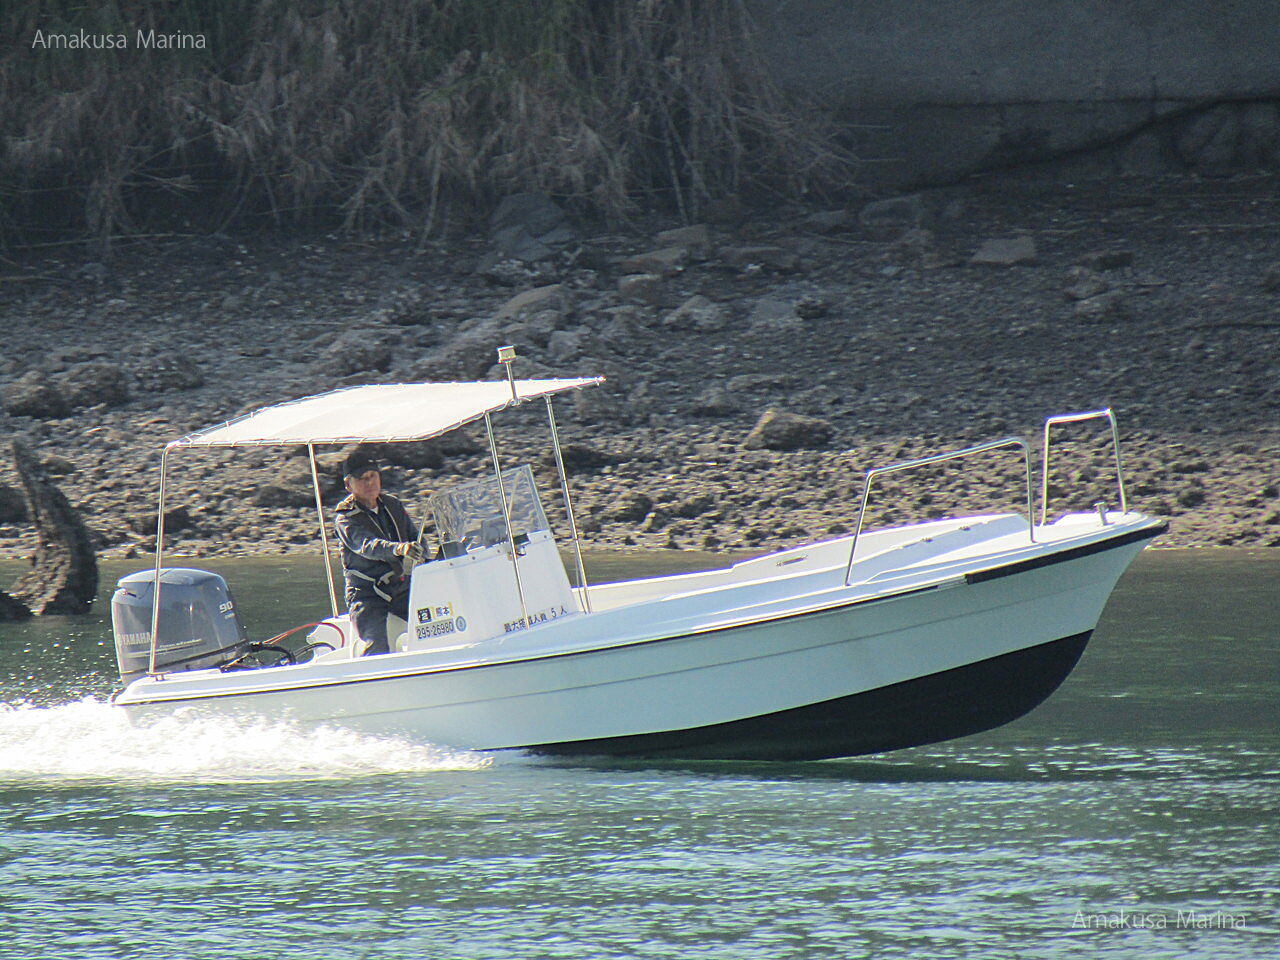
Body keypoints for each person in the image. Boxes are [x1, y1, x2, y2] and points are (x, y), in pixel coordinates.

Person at [334, 452, 424, 656]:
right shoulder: (345, 519)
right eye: (362, 478)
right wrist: (400, 549)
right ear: (349, 484)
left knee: (436, 617)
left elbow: (416, 537)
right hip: (367, 594)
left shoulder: (392, 505)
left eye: (373, 475)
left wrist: (426, 556)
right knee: (376, 646)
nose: (369, 482)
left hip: (400, 585)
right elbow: (367, 546)